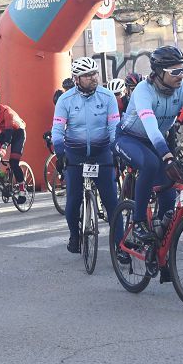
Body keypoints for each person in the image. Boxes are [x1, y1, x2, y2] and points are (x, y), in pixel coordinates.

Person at [115, 46, 183, 245]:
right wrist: (167, 157)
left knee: (169, 204)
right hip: (130, 138)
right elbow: (151, 127)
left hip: (158, 140)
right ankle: (138, 222)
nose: (181, 75)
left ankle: (160, 251)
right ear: (160, 72)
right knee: (152, 164)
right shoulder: (143, 91)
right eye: (175, 72)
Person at [52, 57, 120, 255]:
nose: (93, 78)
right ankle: (75, 235)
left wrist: (116, 150)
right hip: (75, 154)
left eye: (94, 73)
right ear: (76, 79)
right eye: (87, 75)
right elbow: (57, 129)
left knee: (112, 202)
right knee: (73, 201)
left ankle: (120, 246)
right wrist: (60, 152)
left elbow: (114, 127)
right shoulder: (65, 100)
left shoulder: (108, 97)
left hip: (102, 152)